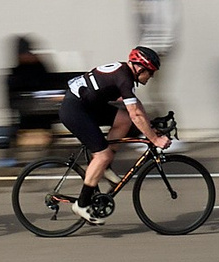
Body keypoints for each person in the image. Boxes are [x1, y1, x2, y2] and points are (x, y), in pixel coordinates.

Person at [60, 46, 172, 224]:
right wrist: (155, 139)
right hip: (75, 109)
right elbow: (136, 114)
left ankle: (104, 167)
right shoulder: (124, 78)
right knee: (102, 155)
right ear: (140, 68)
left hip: (87, 105)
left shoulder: (125, 73)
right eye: (150, 73)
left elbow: (135, 107)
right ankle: (81, 204)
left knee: (124, 120)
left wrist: (150, 125)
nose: (151, 77)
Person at [0, 36, 64, 166]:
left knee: (48, 123)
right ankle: (10, 157)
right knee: (13, 128)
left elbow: (51, 85)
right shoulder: (17, 71)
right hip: (25, 114)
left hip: (44, 113)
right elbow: (12, 97)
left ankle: (50, 157)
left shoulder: (39, 67)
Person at [131, 0, 179, 71]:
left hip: (156, 47)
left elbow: (166, 21)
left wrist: (164, 45)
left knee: (150, 77)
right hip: (148, 46)